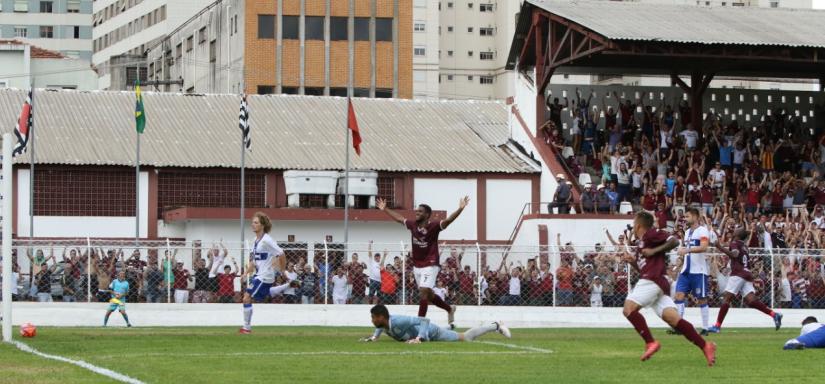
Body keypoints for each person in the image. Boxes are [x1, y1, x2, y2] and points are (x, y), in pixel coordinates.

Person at [621, 211, 715, 366]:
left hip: (653, 280)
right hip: (657, 282)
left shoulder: (651, 234)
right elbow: (643, 269)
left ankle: (650, 342)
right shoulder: (641, 244)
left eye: (634, 224)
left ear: (638, 226)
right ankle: (705, 346)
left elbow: (674, 241)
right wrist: (632, 262)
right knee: (673, 319)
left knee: (628, 309)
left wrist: (654, 251)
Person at [376, 196, 468, 327]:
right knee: (429, 295)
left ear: (427, 215)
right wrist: (385, 209)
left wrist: (460, 208)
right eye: (417, 211)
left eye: (420, 211)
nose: (417, 213)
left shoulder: (434, 226)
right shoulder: (413, 225)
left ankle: (419, 325)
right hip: (417, 265)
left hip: (431, 264)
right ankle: (449, 309)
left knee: (424, 291)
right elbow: (399, 219)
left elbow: (448, 220)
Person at [707, 228, 782, 333]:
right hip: (747, 273)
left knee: (726, 298)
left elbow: (734, 254)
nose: (735, 230)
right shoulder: (744, 246)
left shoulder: (735, 243)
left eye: (737, 230)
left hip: (738, 273)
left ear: (738, 235)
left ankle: (717, 326)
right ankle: (774, 314)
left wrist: (719, 247)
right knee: (751, 301)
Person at [362, 304, 511, 343]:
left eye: (373, 317)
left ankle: (496, 325)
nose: (372, 320)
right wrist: (375, 337)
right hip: (427, 333)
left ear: (382, 317)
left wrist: (419, 338)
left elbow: (424, 320)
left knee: (465, 337)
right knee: (449, 330)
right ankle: (451, 326)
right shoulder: (383, 324)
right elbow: (381, 328)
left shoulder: (399, 321)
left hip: (432, 332)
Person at [240, 212, 286, 334]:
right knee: (254, 297)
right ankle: (284, 287)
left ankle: (246, 328)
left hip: (265, 275)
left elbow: (281, 254)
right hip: (259, 275)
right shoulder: (255, 241)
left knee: (247, 298)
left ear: (262, 225)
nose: (252, 225)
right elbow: (253, 262)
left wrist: (282, 270)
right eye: (252, 222)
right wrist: (245, 273)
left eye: (256, 223)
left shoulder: (267, 240)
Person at [673, 207, 712, 334]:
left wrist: (687, 250)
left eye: (687, 216)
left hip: (698, 271)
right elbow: (686, 250)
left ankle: (705, 328)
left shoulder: (703, 230)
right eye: (685, 216)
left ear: (695, 217)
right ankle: (679, 327)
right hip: (686, 270)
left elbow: (704, 247)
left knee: (701, 299)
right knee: (678, 296)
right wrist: (681, 254)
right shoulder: (687, 232)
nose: (685, 218)